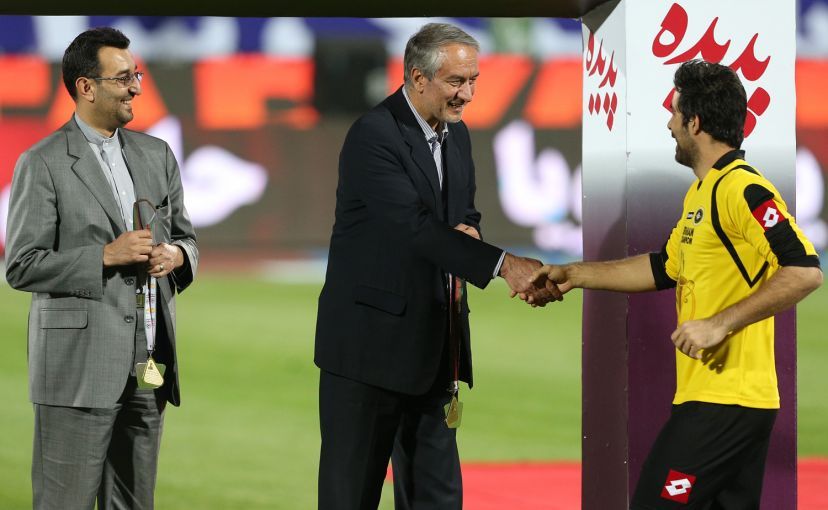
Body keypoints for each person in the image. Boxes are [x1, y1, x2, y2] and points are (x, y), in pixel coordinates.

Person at [529, 59, 822, 509]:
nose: (669, 124)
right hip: (723, 402)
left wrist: (719, 324)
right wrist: (575, 274)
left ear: (695, 123)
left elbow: (804, 270)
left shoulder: (743, 190)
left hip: (725, 403)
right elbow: (665, 268)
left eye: (674, 113)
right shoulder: (702, 192)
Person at [314, 22, 558, 510]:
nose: (467, 94)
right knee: (350, 498)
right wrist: (503, 265)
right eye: (456, 81)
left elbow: (462, 216)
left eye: (473, 81)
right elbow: (414, 228)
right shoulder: (374, 135)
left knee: (438, 499)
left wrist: (472, 235)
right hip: (368, 355)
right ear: (417, 77)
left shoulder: (457, 137)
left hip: (434, 352)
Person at [4, 27, 198, 509]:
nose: (136, 88)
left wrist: (174, 256)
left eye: (137, 75)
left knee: (134, 502)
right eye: (124, 78)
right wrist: (104, 256)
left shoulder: (157, 154)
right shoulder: (42, 162)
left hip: (148, 362)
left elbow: (187, 240)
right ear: (86, 86)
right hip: (76, 369)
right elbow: (21, 265)